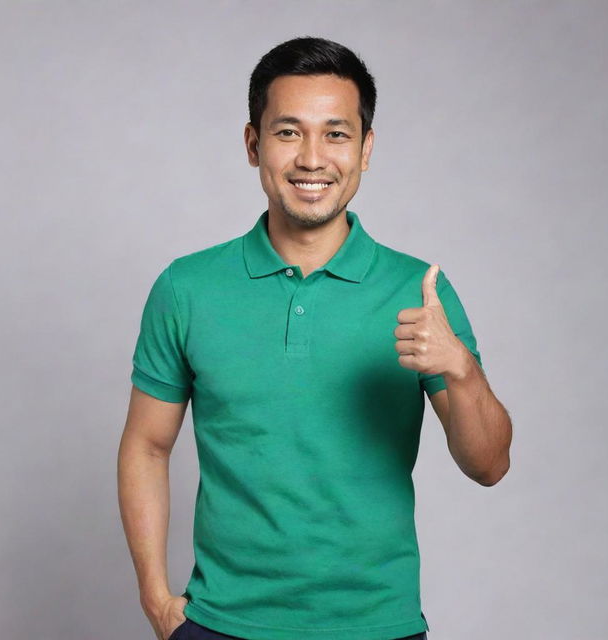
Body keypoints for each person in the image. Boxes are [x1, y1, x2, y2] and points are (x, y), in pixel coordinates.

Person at [117, 36, 513, 640]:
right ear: (253, 145)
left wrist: (462, 369)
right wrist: (155, 598)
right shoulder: (186, 287)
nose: (311, 158)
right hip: (220, 623)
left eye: (336, 133)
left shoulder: (419, 289)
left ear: (365, 148)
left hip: (377, 625)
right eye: (287, 132)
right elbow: (146, 446)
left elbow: (489, 466)